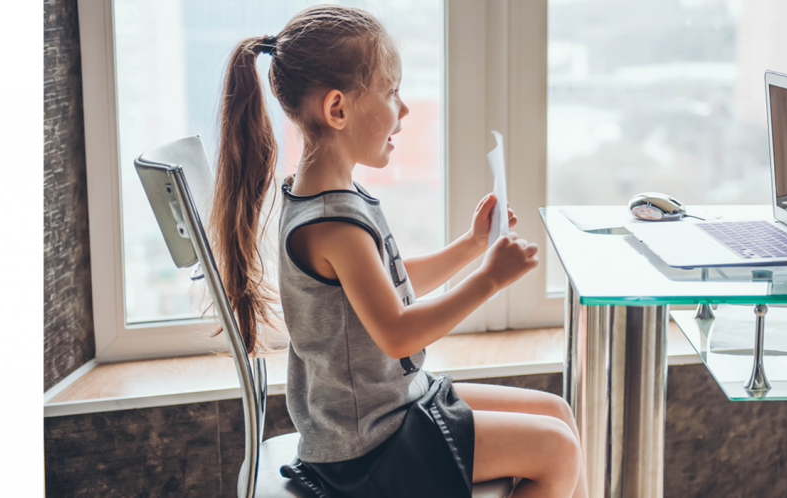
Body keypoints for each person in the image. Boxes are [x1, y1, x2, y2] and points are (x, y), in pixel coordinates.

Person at [209, 5, 587, 498]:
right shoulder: (332, 224)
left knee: (557, 414)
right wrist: (488, 280)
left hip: (388, 410)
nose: (404, 110)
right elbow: (397, 334)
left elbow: (382, 287)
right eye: (391, 92)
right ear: (338, 109)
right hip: (367, 445)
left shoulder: (328, 199)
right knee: (556, 450)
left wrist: (471, 246)